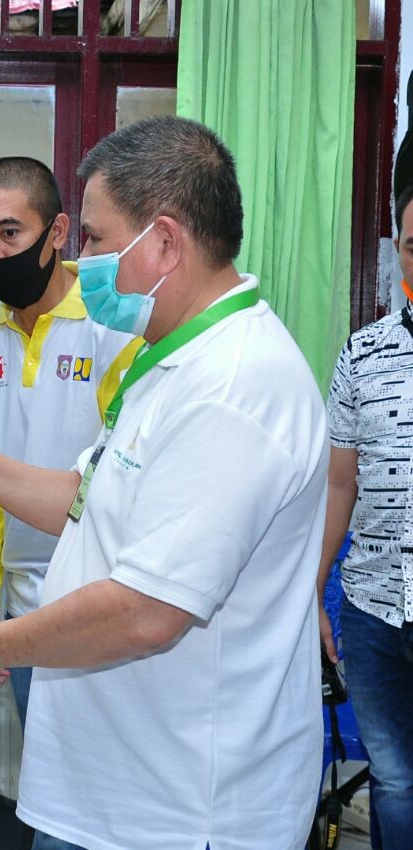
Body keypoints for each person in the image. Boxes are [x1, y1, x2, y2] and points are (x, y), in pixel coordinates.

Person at [0, 116, 328, 850]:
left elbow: (145, 612)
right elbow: (85, 503)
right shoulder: (174, 361)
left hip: (182, 809)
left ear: (162, 242)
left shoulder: (233, 389)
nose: (82, 259)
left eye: (93, 237)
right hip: (118, 790)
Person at [0, 157, 142, 723]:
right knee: (41, 791)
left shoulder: (117, 326)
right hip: (22, 608)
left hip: (104, 603)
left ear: (57, 233)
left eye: (10, 233)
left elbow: (121, 484)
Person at [317, 185, 413, 844]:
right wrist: (311, 590)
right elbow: (338, 485)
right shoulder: (362, 353)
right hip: (374, 610)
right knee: (396, 780)